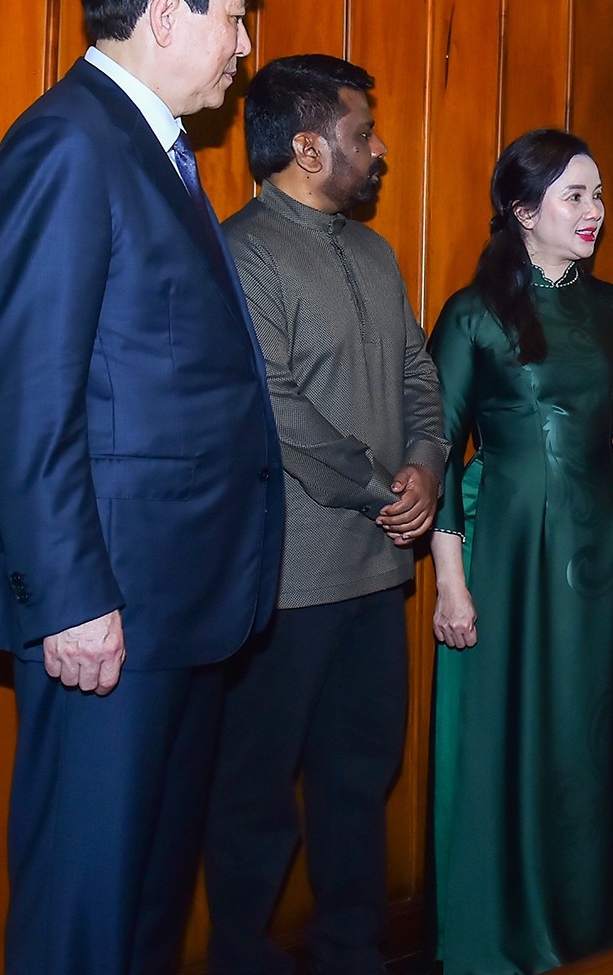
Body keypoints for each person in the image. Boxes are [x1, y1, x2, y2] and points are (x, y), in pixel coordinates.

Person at [0, 0, 282, 974]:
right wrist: (72, 595)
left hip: (179, 602)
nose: (244, 45)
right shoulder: (67, 144)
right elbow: (28, 397)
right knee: (82, 914)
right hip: (111, 607)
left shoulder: (157, 153)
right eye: (235, 17)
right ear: (164, 17)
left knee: (145, 909)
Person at [204, 55, 447, 975]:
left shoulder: (375, 252)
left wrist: (426, 464)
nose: (378, 150)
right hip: (288, 578)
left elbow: (420, 376)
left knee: (358, 782)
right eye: (361, 133)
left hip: (379, 575)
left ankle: (353, 955)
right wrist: (383, 488)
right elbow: (272, 409)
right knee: (255, 796)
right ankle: (242, 957)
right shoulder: (242, 249)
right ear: (307, 147)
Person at [426, 129, 613, 974]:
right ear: (524, 213)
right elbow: (436, 454)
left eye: (599, 195)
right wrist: (450, 584)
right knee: (519, 735)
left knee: (595, 735)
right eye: (575, 196)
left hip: (603, 549)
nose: (594, 211)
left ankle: (607, 926)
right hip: (509, 555)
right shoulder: (474, 312)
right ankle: (509, 933)